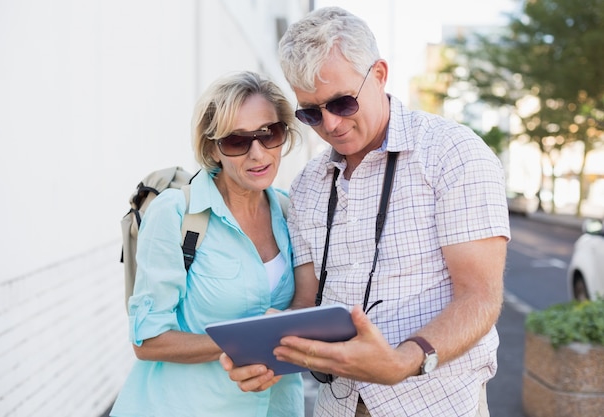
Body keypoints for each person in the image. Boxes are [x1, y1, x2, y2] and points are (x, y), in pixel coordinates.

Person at [221, 7, 511, 417]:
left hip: (434, 405)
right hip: (335, 406)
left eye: (342, 102)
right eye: (310, 113)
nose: (330, 125)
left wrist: (405, 360)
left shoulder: (453, 154)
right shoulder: (307, 185)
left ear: (378, 74)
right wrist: (266, 351)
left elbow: (479, 296)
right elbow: (308, 302)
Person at [110, 71, 304, 417]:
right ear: (214, 150)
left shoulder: (293, 213)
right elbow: (148, 340)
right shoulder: (176, 213)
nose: (257, 153)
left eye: (268, 134)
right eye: (236, 141)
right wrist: (251, 340)